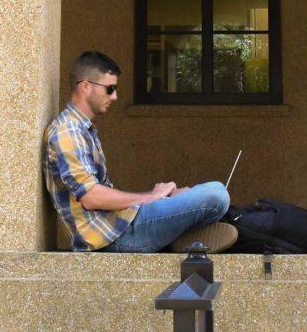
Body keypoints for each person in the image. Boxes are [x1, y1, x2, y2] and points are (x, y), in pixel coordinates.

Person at [44, 50, 238, 253]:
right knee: (217, 194)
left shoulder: (82, 129)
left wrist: (165, 198)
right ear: (86, 86)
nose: (116, 96)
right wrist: (149, 197)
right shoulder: (67, 132)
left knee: (193, 193)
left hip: (122, 224)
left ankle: (180, 236)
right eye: (110, 89)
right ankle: (178, 238)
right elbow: (91, 198)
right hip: (113, 239)